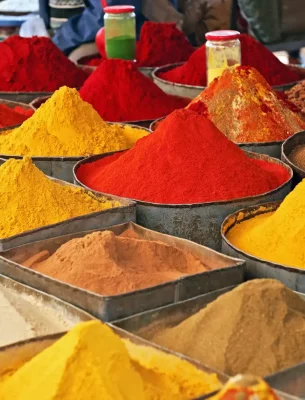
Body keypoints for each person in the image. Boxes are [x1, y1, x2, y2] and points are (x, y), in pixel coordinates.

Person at [40, 0, 180, 55]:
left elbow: (108, 11)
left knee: (76, 62)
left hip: (127, 33)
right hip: (70, 34)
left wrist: (57, 42)